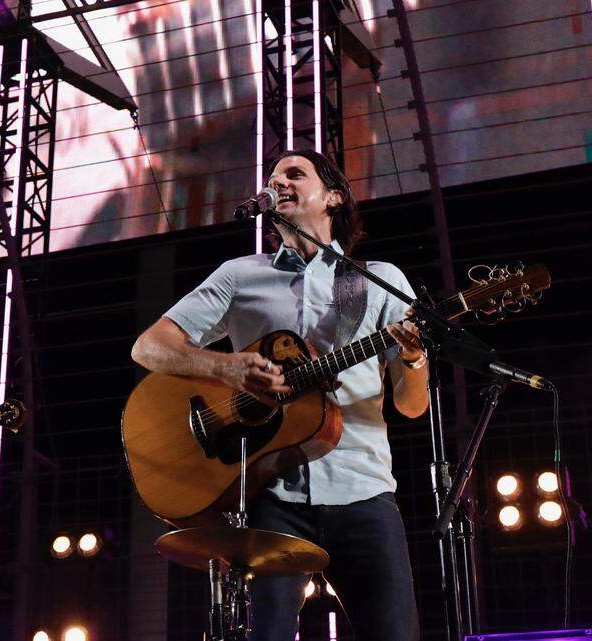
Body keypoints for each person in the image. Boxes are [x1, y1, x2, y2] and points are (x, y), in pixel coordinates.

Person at [130, 149, 429, 641]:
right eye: (273, 176)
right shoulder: (240, 275)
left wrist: (415, 359)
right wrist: (226, 367)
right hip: (270, 495)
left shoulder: (379, 280)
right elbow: (150, 347)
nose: (279, 181)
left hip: (364, 490)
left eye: (295, 174)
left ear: (333, 197)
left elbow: (412, 405)